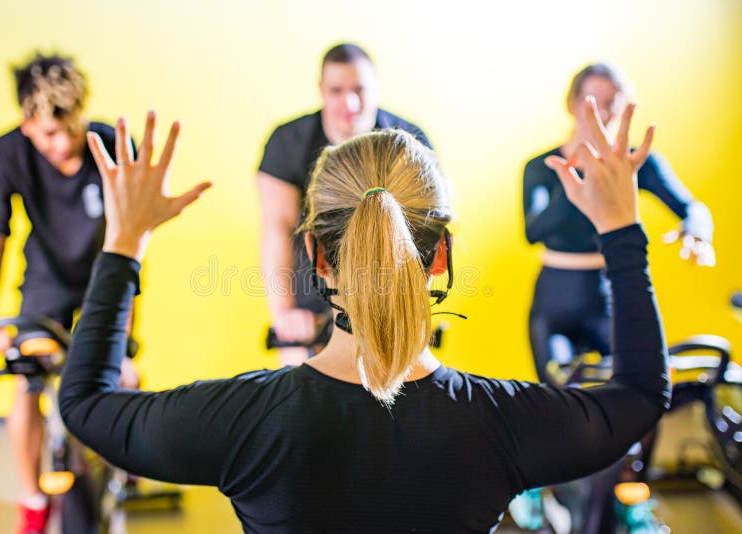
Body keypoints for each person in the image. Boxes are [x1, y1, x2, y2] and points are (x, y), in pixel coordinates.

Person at [59, 100, 670, 533]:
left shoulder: (242, 421)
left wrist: (125, 242)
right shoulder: (500, 423)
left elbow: (85, 404)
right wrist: (620, 227)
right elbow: (642, 395)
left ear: (317, 257)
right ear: (442, 259)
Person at [0, 52, 138, 534]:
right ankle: (32, 499)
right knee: (24, 379)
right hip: (46, 277)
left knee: (120, 375)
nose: (63, 144)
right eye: (49, 134)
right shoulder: (6, 151)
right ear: (26, 124)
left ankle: (115, 469)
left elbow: (130, 238)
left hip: (107, 271)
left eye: (70, 128)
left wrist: (124, 339)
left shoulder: (107, 144)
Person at [523, 62, 715, 383]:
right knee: (557, 395)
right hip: (554, 300)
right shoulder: (542, 167)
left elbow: (692, 207)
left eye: (613, 103)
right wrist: (579, 171)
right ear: (573, 105)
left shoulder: (638, 163)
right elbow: (533, 231)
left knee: (637, 388)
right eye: (593, 103)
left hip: (611, 293)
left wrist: (696, 232)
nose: (603, 114)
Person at [257, 42, 432, 365]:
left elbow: (426, 232)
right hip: (310, 297)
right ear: (321, 90)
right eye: (337, 90)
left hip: (387, 296)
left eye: (360, 90)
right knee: (300, 388)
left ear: (376, 88)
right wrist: (285, 313)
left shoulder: (408, 141)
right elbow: (276, 230)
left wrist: (415, 310)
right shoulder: (288, 142)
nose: (349, 102)